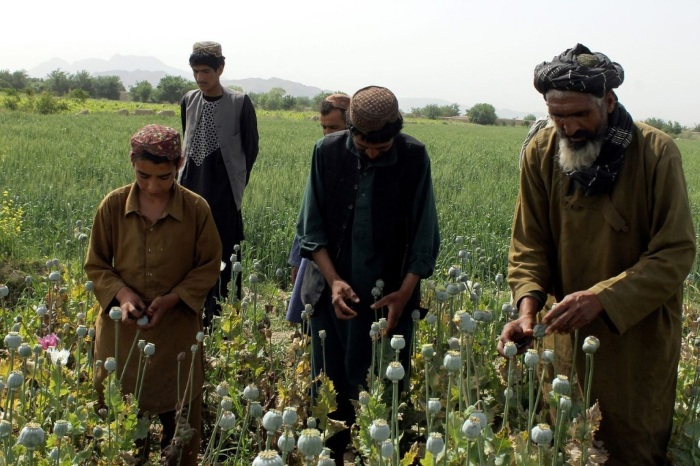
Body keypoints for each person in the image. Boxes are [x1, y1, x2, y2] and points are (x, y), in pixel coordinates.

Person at [497, 44, 696, 465]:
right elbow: (529, 244)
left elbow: (675, 253)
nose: (568, 128)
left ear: (608, 102)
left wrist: (602, 298)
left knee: (632, 444)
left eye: (580, 115)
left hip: (635, 339)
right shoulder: (541, 152)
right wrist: (528, 308)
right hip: (563, 334)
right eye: (558, 117)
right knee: (572, 441)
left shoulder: (656, 153)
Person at [297, 86, 440, 464]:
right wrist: (334, 283)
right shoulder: (326, 153)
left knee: (381, 395)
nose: (373, 153)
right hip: (333, 293)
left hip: (389, 299)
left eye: (382, 147)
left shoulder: (413, 156)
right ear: (350, 131)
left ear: (396, 131)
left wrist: (404, 294)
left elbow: (424, 236)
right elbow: (311, 231)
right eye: (364, 146)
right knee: (330, 394)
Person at [85, 124, 222, 465]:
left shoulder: (196, 210)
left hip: (176, 332)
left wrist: (174, 297)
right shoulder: (113, 206)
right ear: (132, 162)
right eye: (143, 175)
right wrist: (123, 294)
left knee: (180, 420)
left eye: (164, 177)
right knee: (119, 420)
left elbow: (209, 265)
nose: (153, 186)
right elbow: (96, 264)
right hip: (122, 333)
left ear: (179, 163)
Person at [179, 41, 259, 327]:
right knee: (189, 255)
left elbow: (251, 149)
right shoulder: (189, 100)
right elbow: (186, 142)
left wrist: (234, 183)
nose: (200, 78)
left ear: (220, 69)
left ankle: (225, 319)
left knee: (225, 256)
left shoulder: (239, 102)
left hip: (224, 196)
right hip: (189, 190)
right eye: (196, 72)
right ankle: (191, 314)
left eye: (206, 72)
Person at [286, 93, 350, 324]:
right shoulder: (324, 154)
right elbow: (308, 214)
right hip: (316, 251)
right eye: (324, 128)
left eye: (334, 127)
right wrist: (296, 258)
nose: (327, 134)